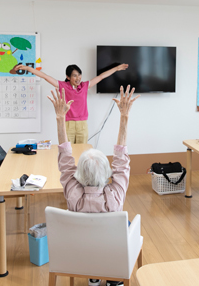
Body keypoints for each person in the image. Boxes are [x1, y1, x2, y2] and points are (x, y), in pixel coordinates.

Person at [48, 85, 139, 286]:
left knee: (91, 236)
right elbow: (121, 160)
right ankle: (114, 278)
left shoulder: (72, 192)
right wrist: (124, 116)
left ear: (79, 173)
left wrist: (60, 118)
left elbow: (65, 160)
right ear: (107, 172)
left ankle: (93, 273)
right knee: (128, 225)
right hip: (111, 248)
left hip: (81, 248)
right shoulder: (115, 196)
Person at [16, 63, 128, 143]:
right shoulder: (62, 86)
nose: (78, 78)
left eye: (79, 75)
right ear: (68, 77)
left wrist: (116, 68)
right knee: (67, 150)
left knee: (82, 152)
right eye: (74, 75)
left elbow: (101, 76)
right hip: (68, 124)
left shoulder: (84, 86)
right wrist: (27, 68)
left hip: (82, 124)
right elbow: (45, 76)